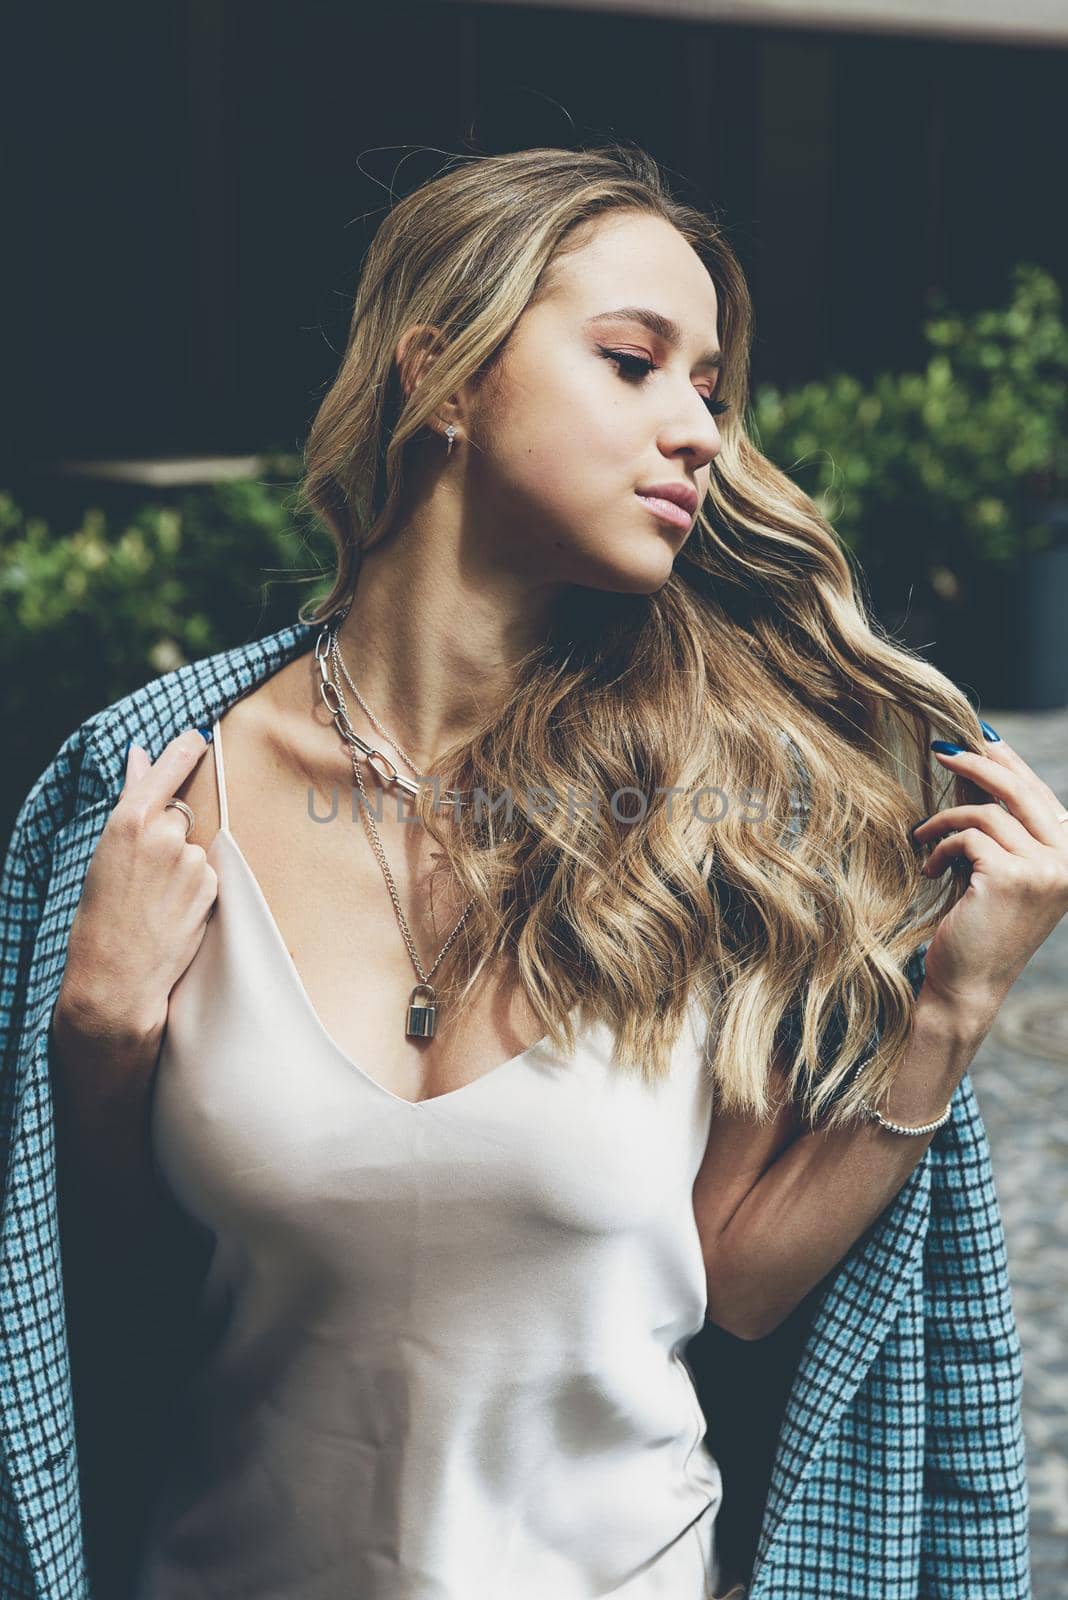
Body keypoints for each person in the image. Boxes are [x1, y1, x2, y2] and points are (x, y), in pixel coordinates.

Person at [2, 143, 1062, 1599]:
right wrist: (100, 1035)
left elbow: (732, 1282)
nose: (698, 428)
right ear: (440, 376)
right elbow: (85, 1322)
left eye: (711, 389)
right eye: (635, 362)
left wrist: (954, 1010)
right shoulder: (160, 802)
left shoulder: (729, 819)